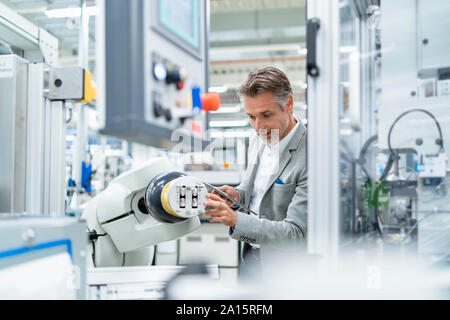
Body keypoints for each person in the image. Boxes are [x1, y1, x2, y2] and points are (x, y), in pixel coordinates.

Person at [204, 67, 307, 281]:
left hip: (285, 270)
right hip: (250, 257)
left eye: (266, 115)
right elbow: (256, 191)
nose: (258, 127)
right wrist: (238, 195)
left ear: (288, 104)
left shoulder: (312, 155)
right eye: (251, 117)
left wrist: (235, 220)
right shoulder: (258, 141)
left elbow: (296, 233)